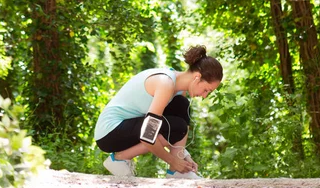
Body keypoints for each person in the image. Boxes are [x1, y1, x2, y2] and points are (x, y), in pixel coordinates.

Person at [94, 45, 223, 179]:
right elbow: (148, 134)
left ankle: (177, 172)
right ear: (197, 77)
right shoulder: (165, 83)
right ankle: (119, 159)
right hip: (110, 132)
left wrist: (184, 157)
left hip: (131, 127)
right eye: (206, 90)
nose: (204, 96)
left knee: (181, 106)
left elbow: (173, 133)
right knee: (178, 126)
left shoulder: (179, 90)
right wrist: (173, 161)